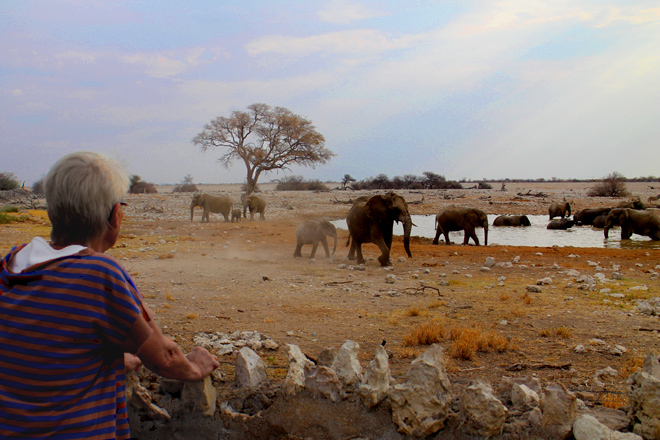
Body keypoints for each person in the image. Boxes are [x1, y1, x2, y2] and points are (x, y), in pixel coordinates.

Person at [0, 151, 219, 439]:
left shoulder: (11, 263)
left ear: (52, 210)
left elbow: (46, 344)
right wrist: (194, 368)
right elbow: (163, 359)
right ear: (116, 215)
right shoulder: (100, 275)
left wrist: (116, 357)